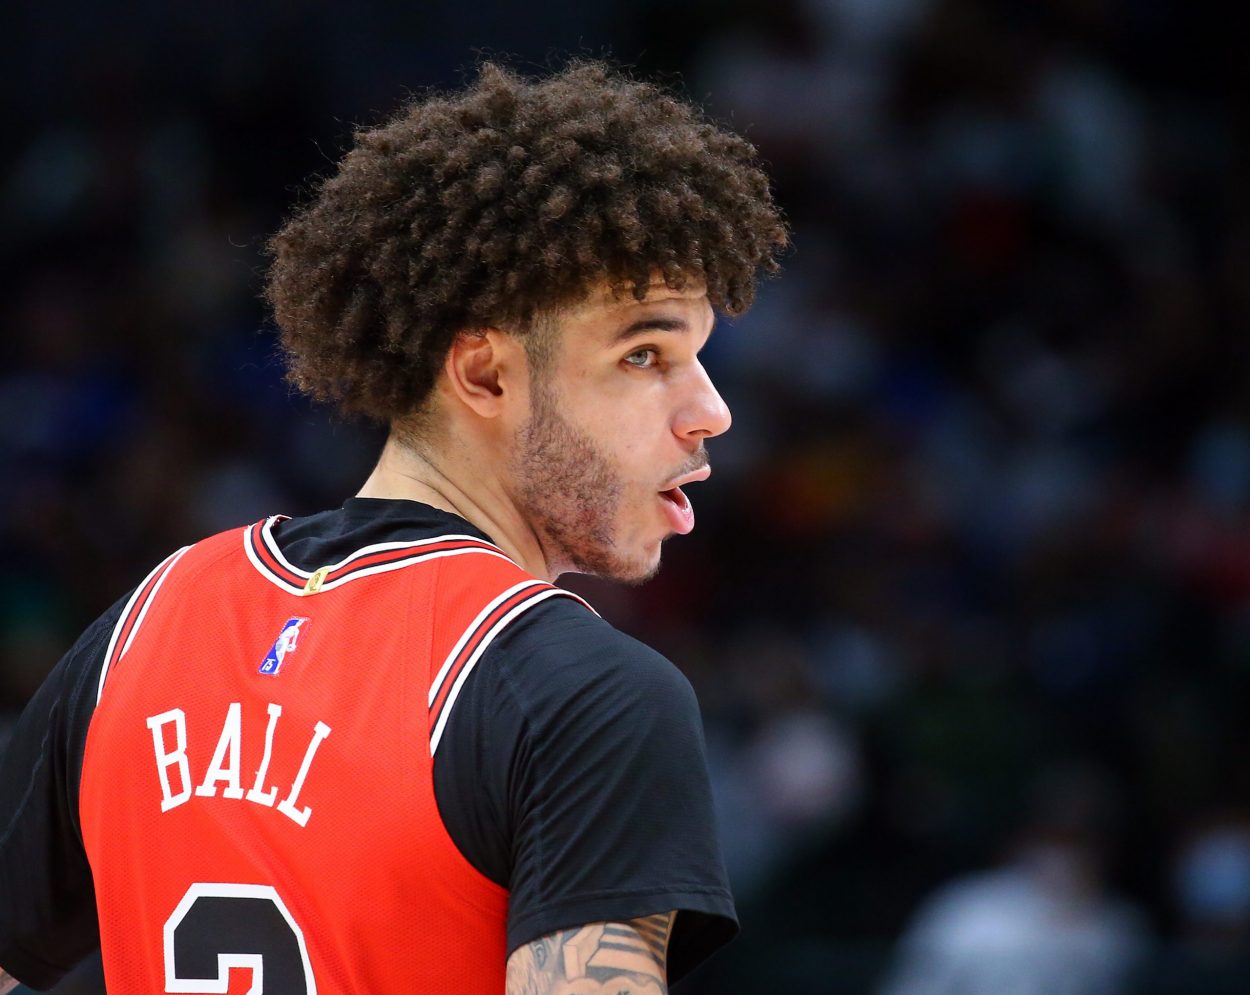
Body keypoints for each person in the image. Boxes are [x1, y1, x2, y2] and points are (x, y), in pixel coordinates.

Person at [0, 60, 787, 994]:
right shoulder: (587, 694)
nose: (710, 410)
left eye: (699, 355)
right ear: (486, 375)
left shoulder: (143, 627)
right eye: (645, 353)